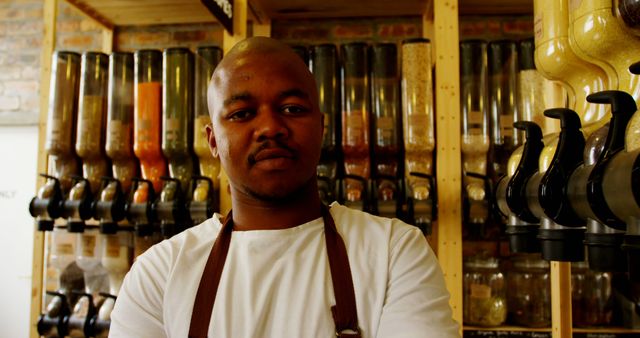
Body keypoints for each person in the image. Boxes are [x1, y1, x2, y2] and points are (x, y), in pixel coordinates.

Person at [110, 37, 459, 338]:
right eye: (242, 113)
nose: (270, 128)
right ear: (213, 141)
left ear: (322, 128)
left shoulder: (395, 253)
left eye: (292, 108)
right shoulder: (158, 274)